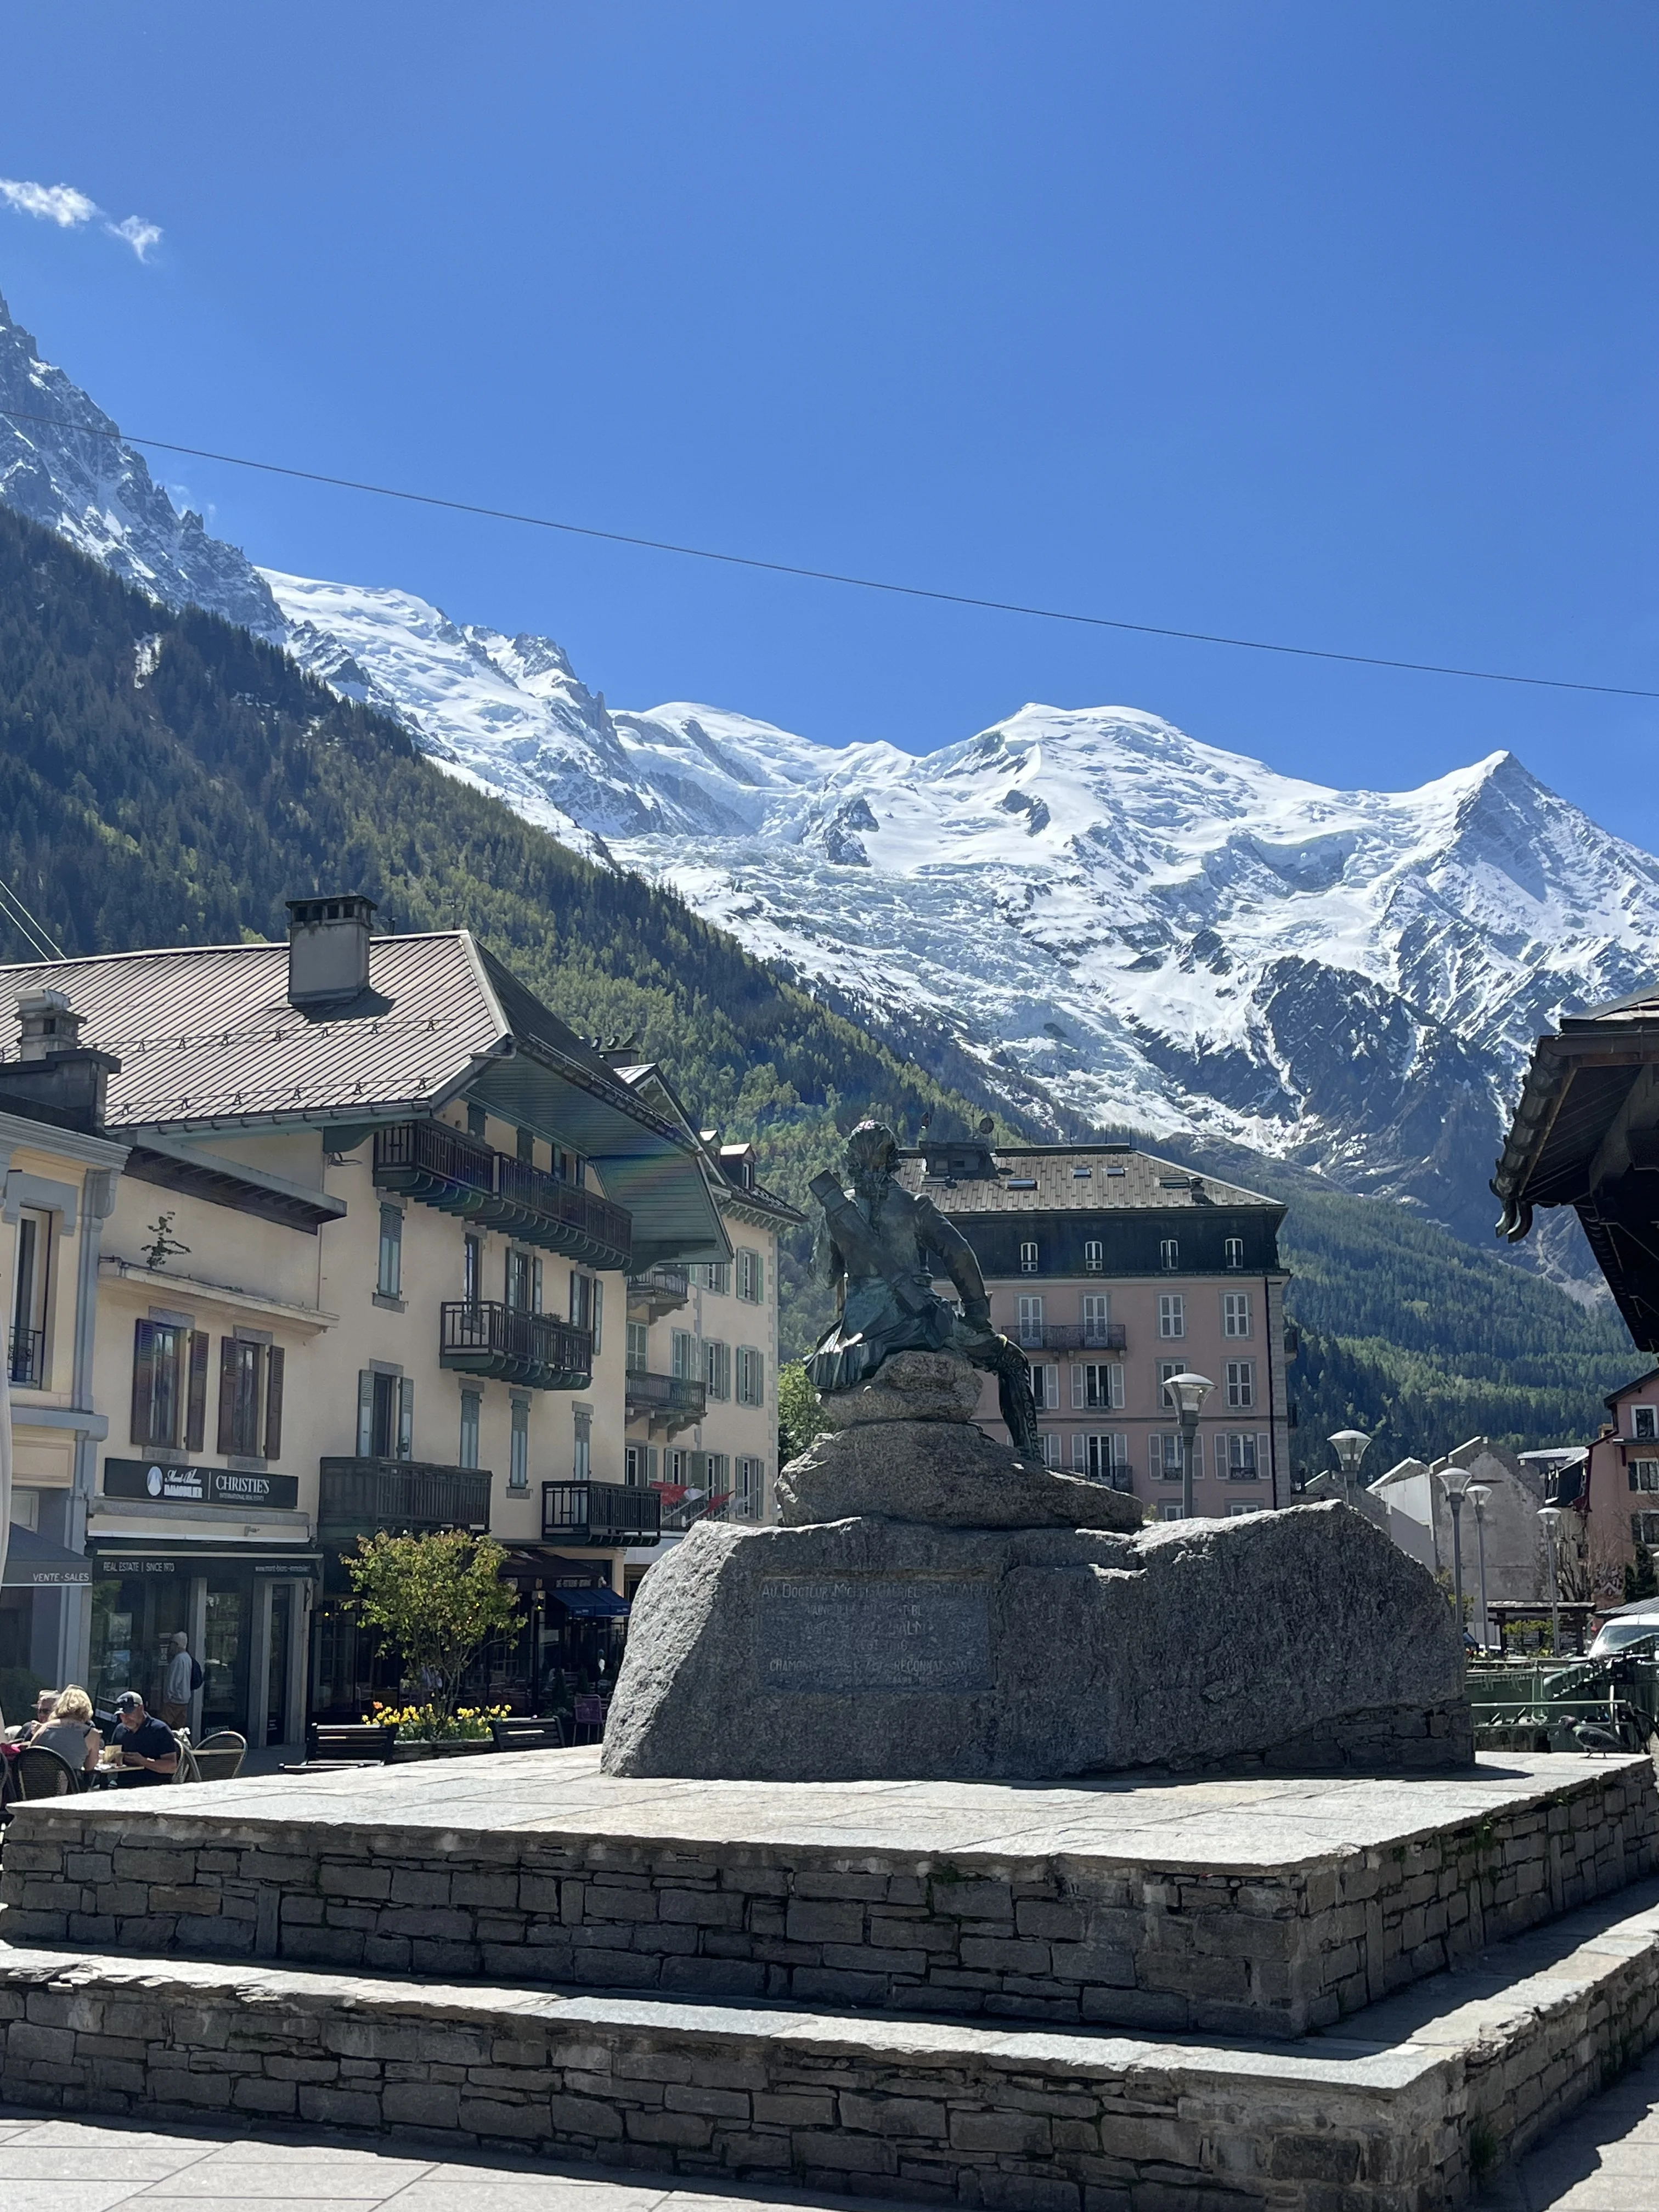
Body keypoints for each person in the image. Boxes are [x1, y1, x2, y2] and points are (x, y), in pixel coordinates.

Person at [806, 1119, 1042, 1454]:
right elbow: (958, 1253)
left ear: (851, 1162)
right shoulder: (914, 1205)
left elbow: (824, 1277)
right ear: (892, 1160)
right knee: (1013, 1362)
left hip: (857, 1331)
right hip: (915, 1319)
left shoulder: (835, 1210)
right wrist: (976, 1310)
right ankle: (1029, 1453)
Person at [30, 1684, 103, 1776]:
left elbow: (29, 1755)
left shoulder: (44, 1728)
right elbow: (89, 1767)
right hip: (70, 1786)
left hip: (39, 1784)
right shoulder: (92, 1734)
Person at [109, 1691, 178, 1785]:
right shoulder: (120, 1730)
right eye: (122, 1715)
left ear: (141, 1708)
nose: (126, 1719)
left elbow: (172, 1767)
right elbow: (112, 1758)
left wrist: (143, 1761)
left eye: (129, 1713)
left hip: (154, 1785)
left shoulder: (160, 1730)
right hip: (123, 1784)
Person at [161, 1632, 200, 1731]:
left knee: (165, 1726)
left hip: (174, 1700)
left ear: (177, 1645)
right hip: (184, 1700)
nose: (170, 1647)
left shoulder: (178, 1660)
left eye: (172, 1644)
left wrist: (168, 1697)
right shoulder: (188, 1658)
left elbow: (174, 1681)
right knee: (179, 1728)